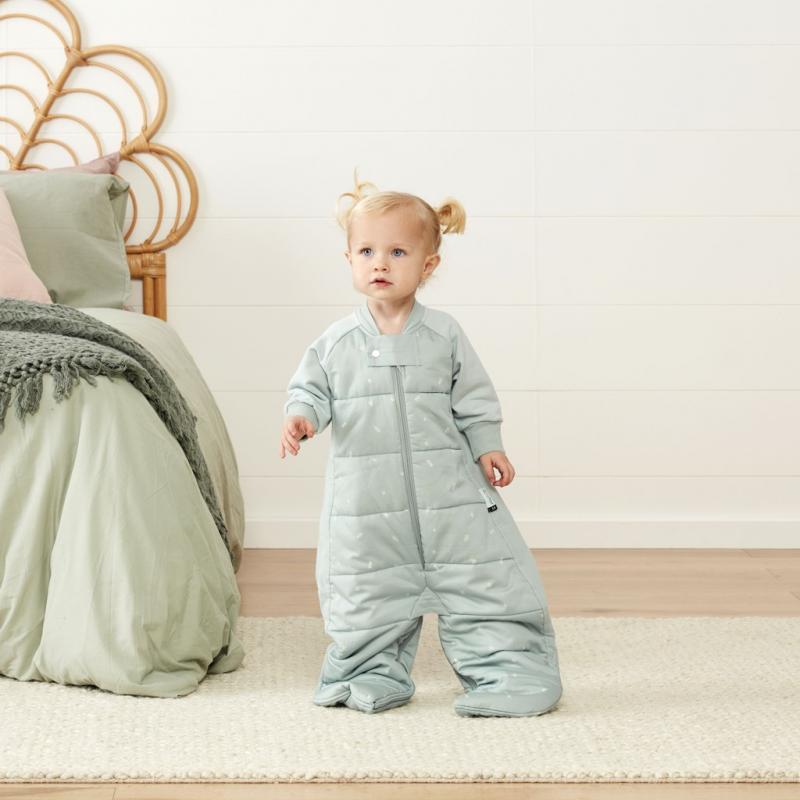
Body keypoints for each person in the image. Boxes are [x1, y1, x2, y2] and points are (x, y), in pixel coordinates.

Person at [279, 171, 563, 717]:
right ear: (349, 260)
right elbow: (310, 389)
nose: (380, 263)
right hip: (366, 504)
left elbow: (474, 397)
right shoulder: (336, 342)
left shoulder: (443, 335)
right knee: (366, 590)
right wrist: (302, 417)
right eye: (367, 251)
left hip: (450, 495)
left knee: (483, 579)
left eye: (397, 252)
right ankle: (367, 673)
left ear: (428, 265)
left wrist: (488, 445)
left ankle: (508, 672)